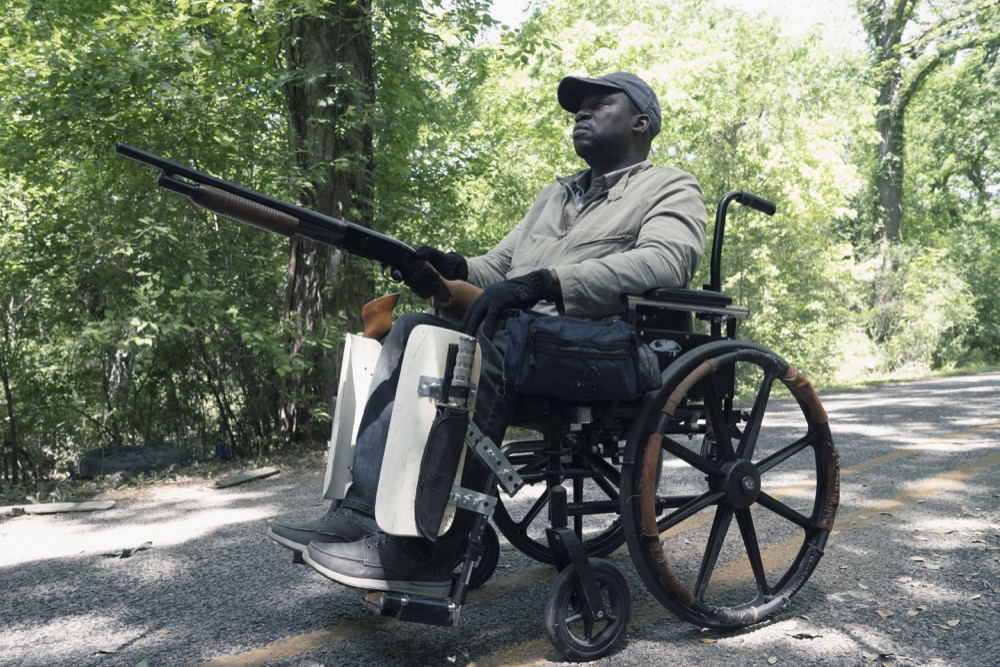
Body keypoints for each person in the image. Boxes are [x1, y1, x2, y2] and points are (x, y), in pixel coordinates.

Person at [268, 72, 707, 596]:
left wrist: (548, 282)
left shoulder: (671, 184)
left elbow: (668, 260)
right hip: (528, 337)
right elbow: (497, 269)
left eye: (598, 104)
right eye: (577, 108)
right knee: (411, 330)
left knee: (479, 356)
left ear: (641, 122)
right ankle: (362, 514)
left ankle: (429, 549)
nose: (581, 114)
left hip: (605, 344)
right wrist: (447, 267)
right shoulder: (555, 195)